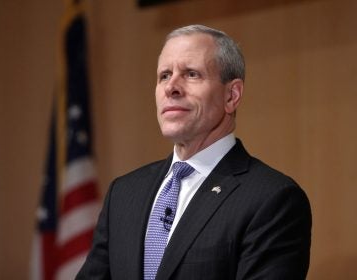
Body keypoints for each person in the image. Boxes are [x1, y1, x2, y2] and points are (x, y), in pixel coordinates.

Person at [76, 24, 312, 280]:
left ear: (232, 96)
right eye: (164, 75)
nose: (171, 87)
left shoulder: (272, 200)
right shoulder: (123, 193)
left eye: (191, 74)